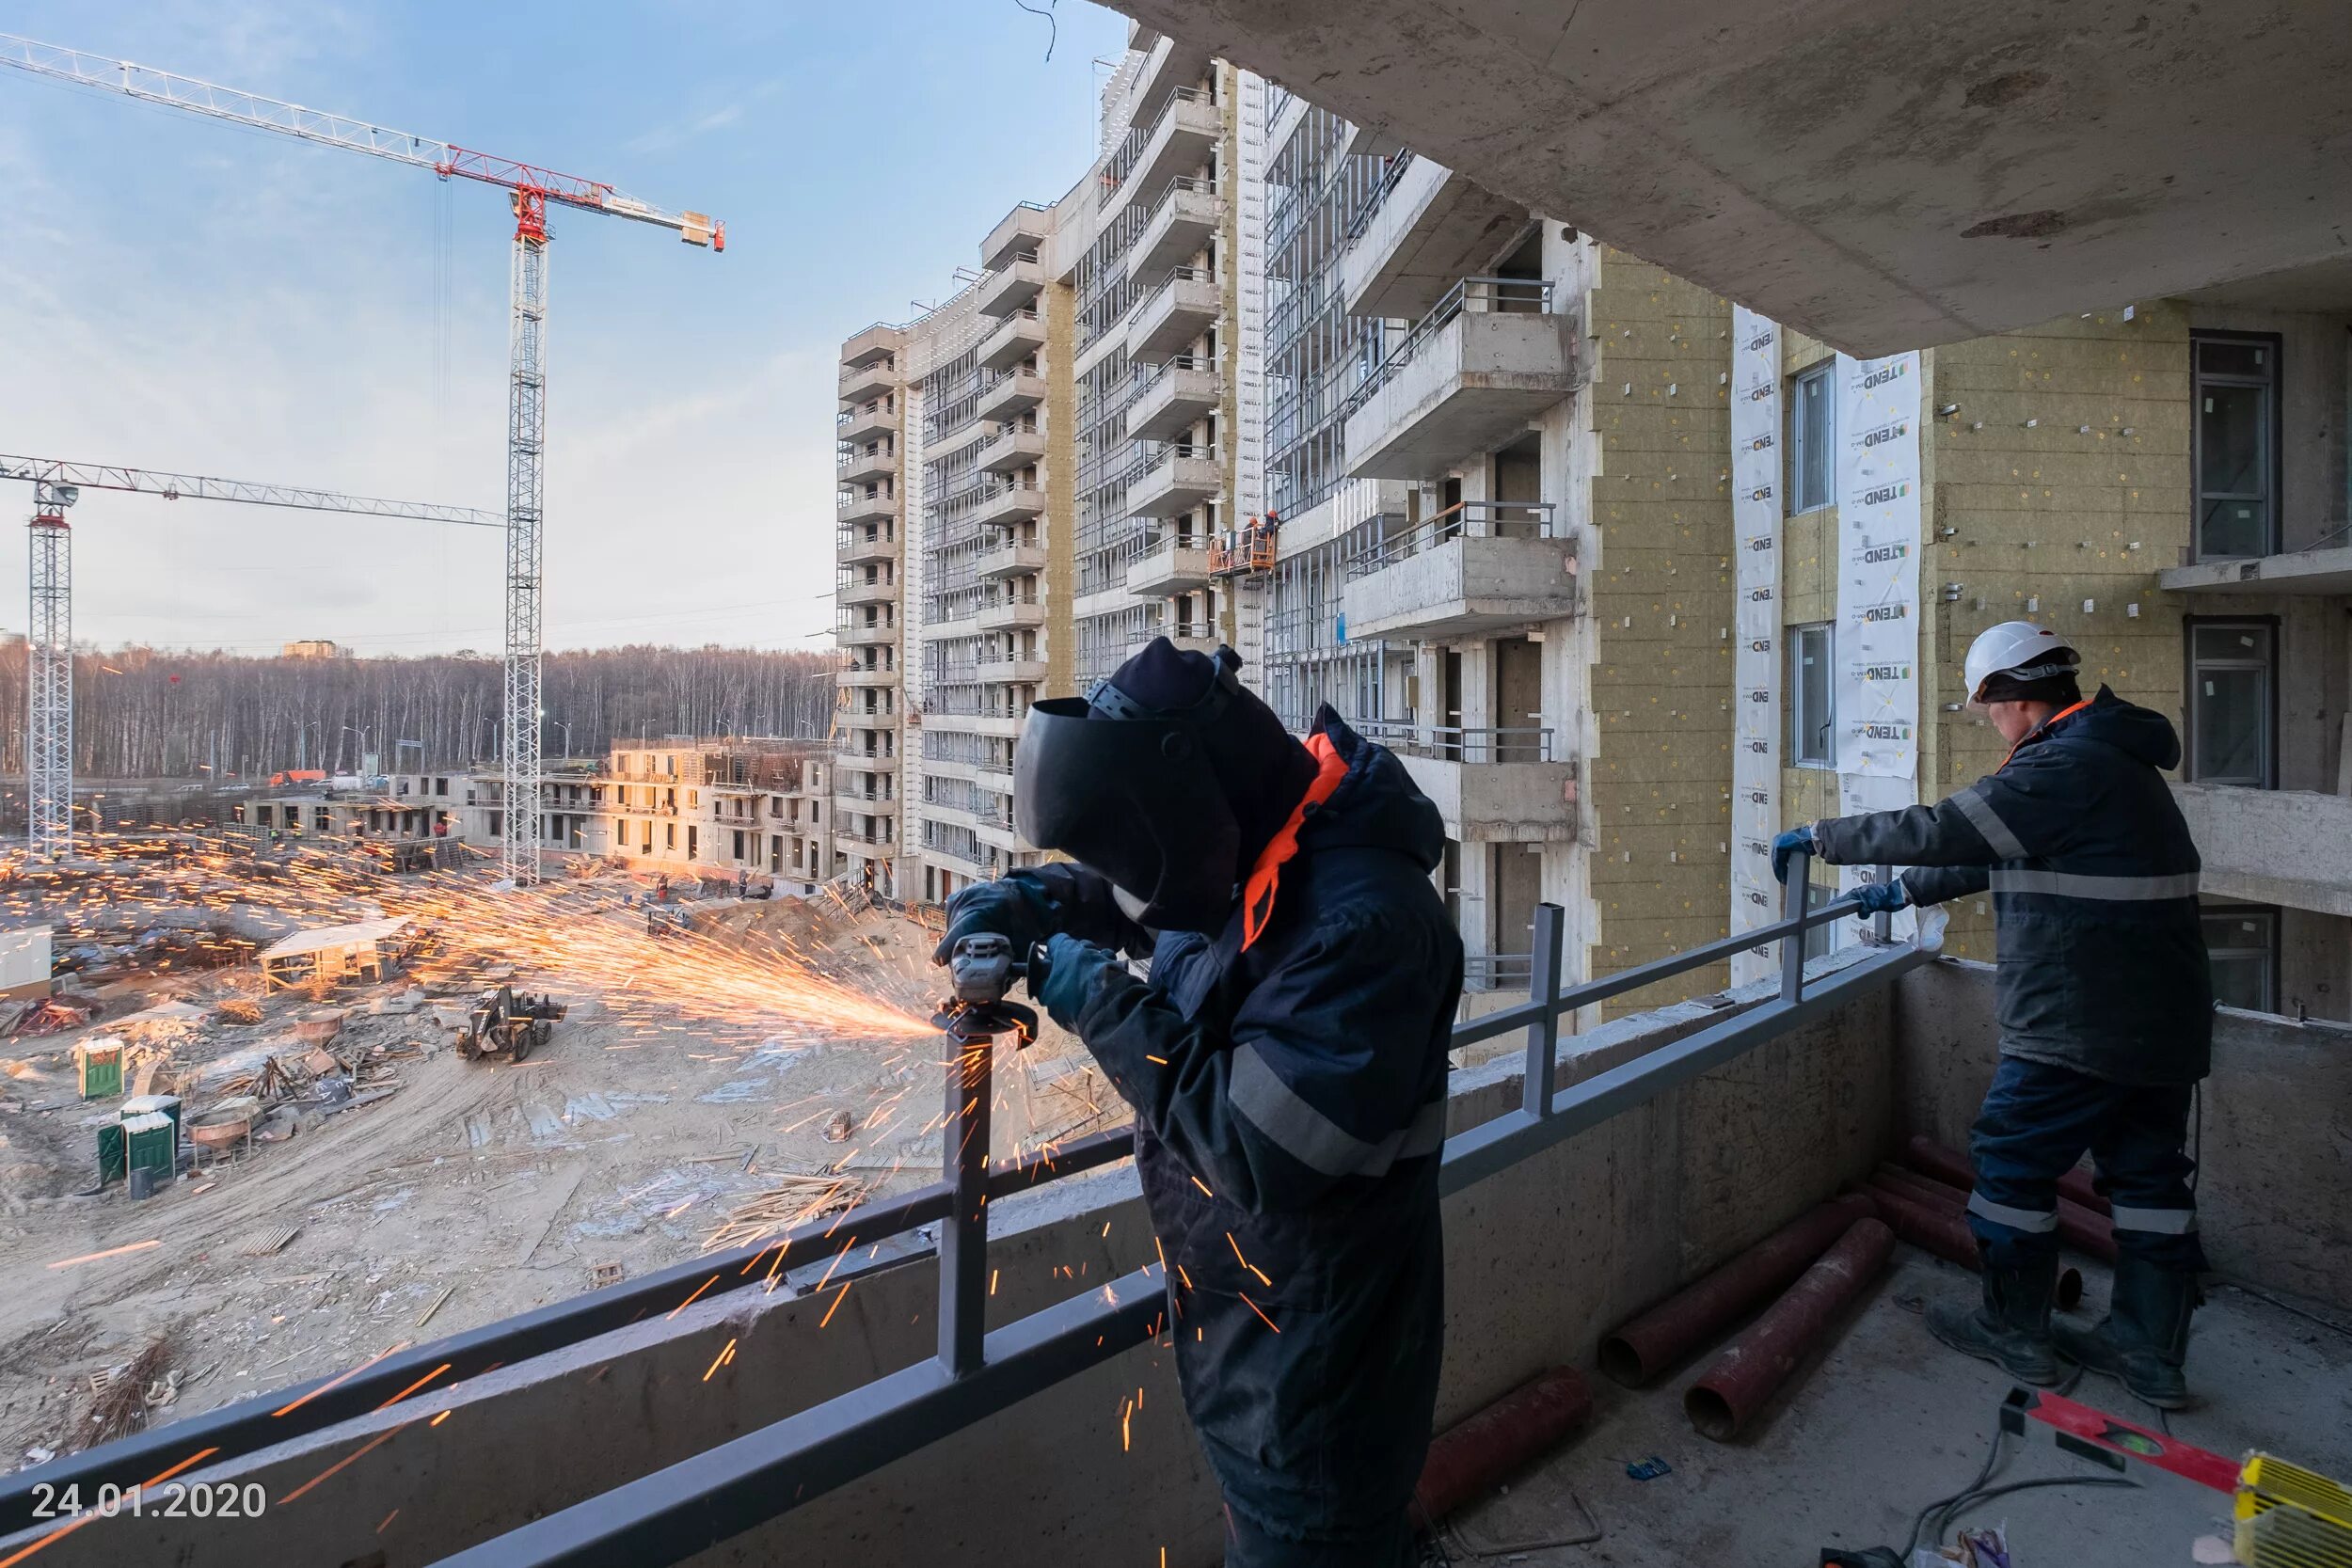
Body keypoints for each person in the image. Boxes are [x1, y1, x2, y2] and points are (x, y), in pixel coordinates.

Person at [935, 638, 1463, 1566]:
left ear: (1190, 784)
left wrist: (1084, 989)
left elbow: (1257, 1144)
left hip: (1322, 1379)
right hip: (1254, 1342)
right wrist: (1022, 902)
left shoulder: (1362, 923)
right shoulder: (1252, 852)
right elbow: (1127, 897)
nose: (1142, 869)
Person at [1770, 622, 2210, 1406]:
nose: (1992, 726)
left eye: (1988, 711)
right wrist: (1905, 891)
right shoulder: (2114, 760)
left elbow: (1946, 827)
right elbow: (2009, 849)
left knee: (2010, 1164)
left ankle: (2016, 1331)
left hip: (2078, 1021)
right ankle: (2149, 1354)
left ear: (2015, 697)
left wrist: (1823, 836)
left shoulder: (2061, 764)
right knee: (2148, 1179)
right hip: (2162, 1021)